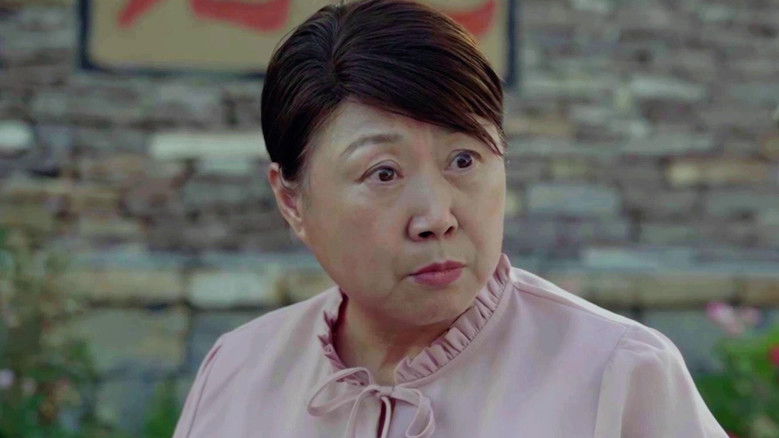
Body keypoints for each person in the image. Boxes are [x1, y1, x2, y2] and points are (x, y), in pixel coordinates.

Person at [172, 0, 729, 436]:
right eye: (383, 173)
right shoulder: (239, 370)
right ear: (292, 200)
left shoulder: (619, 373)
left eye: (464, 160)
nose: (437, 218)